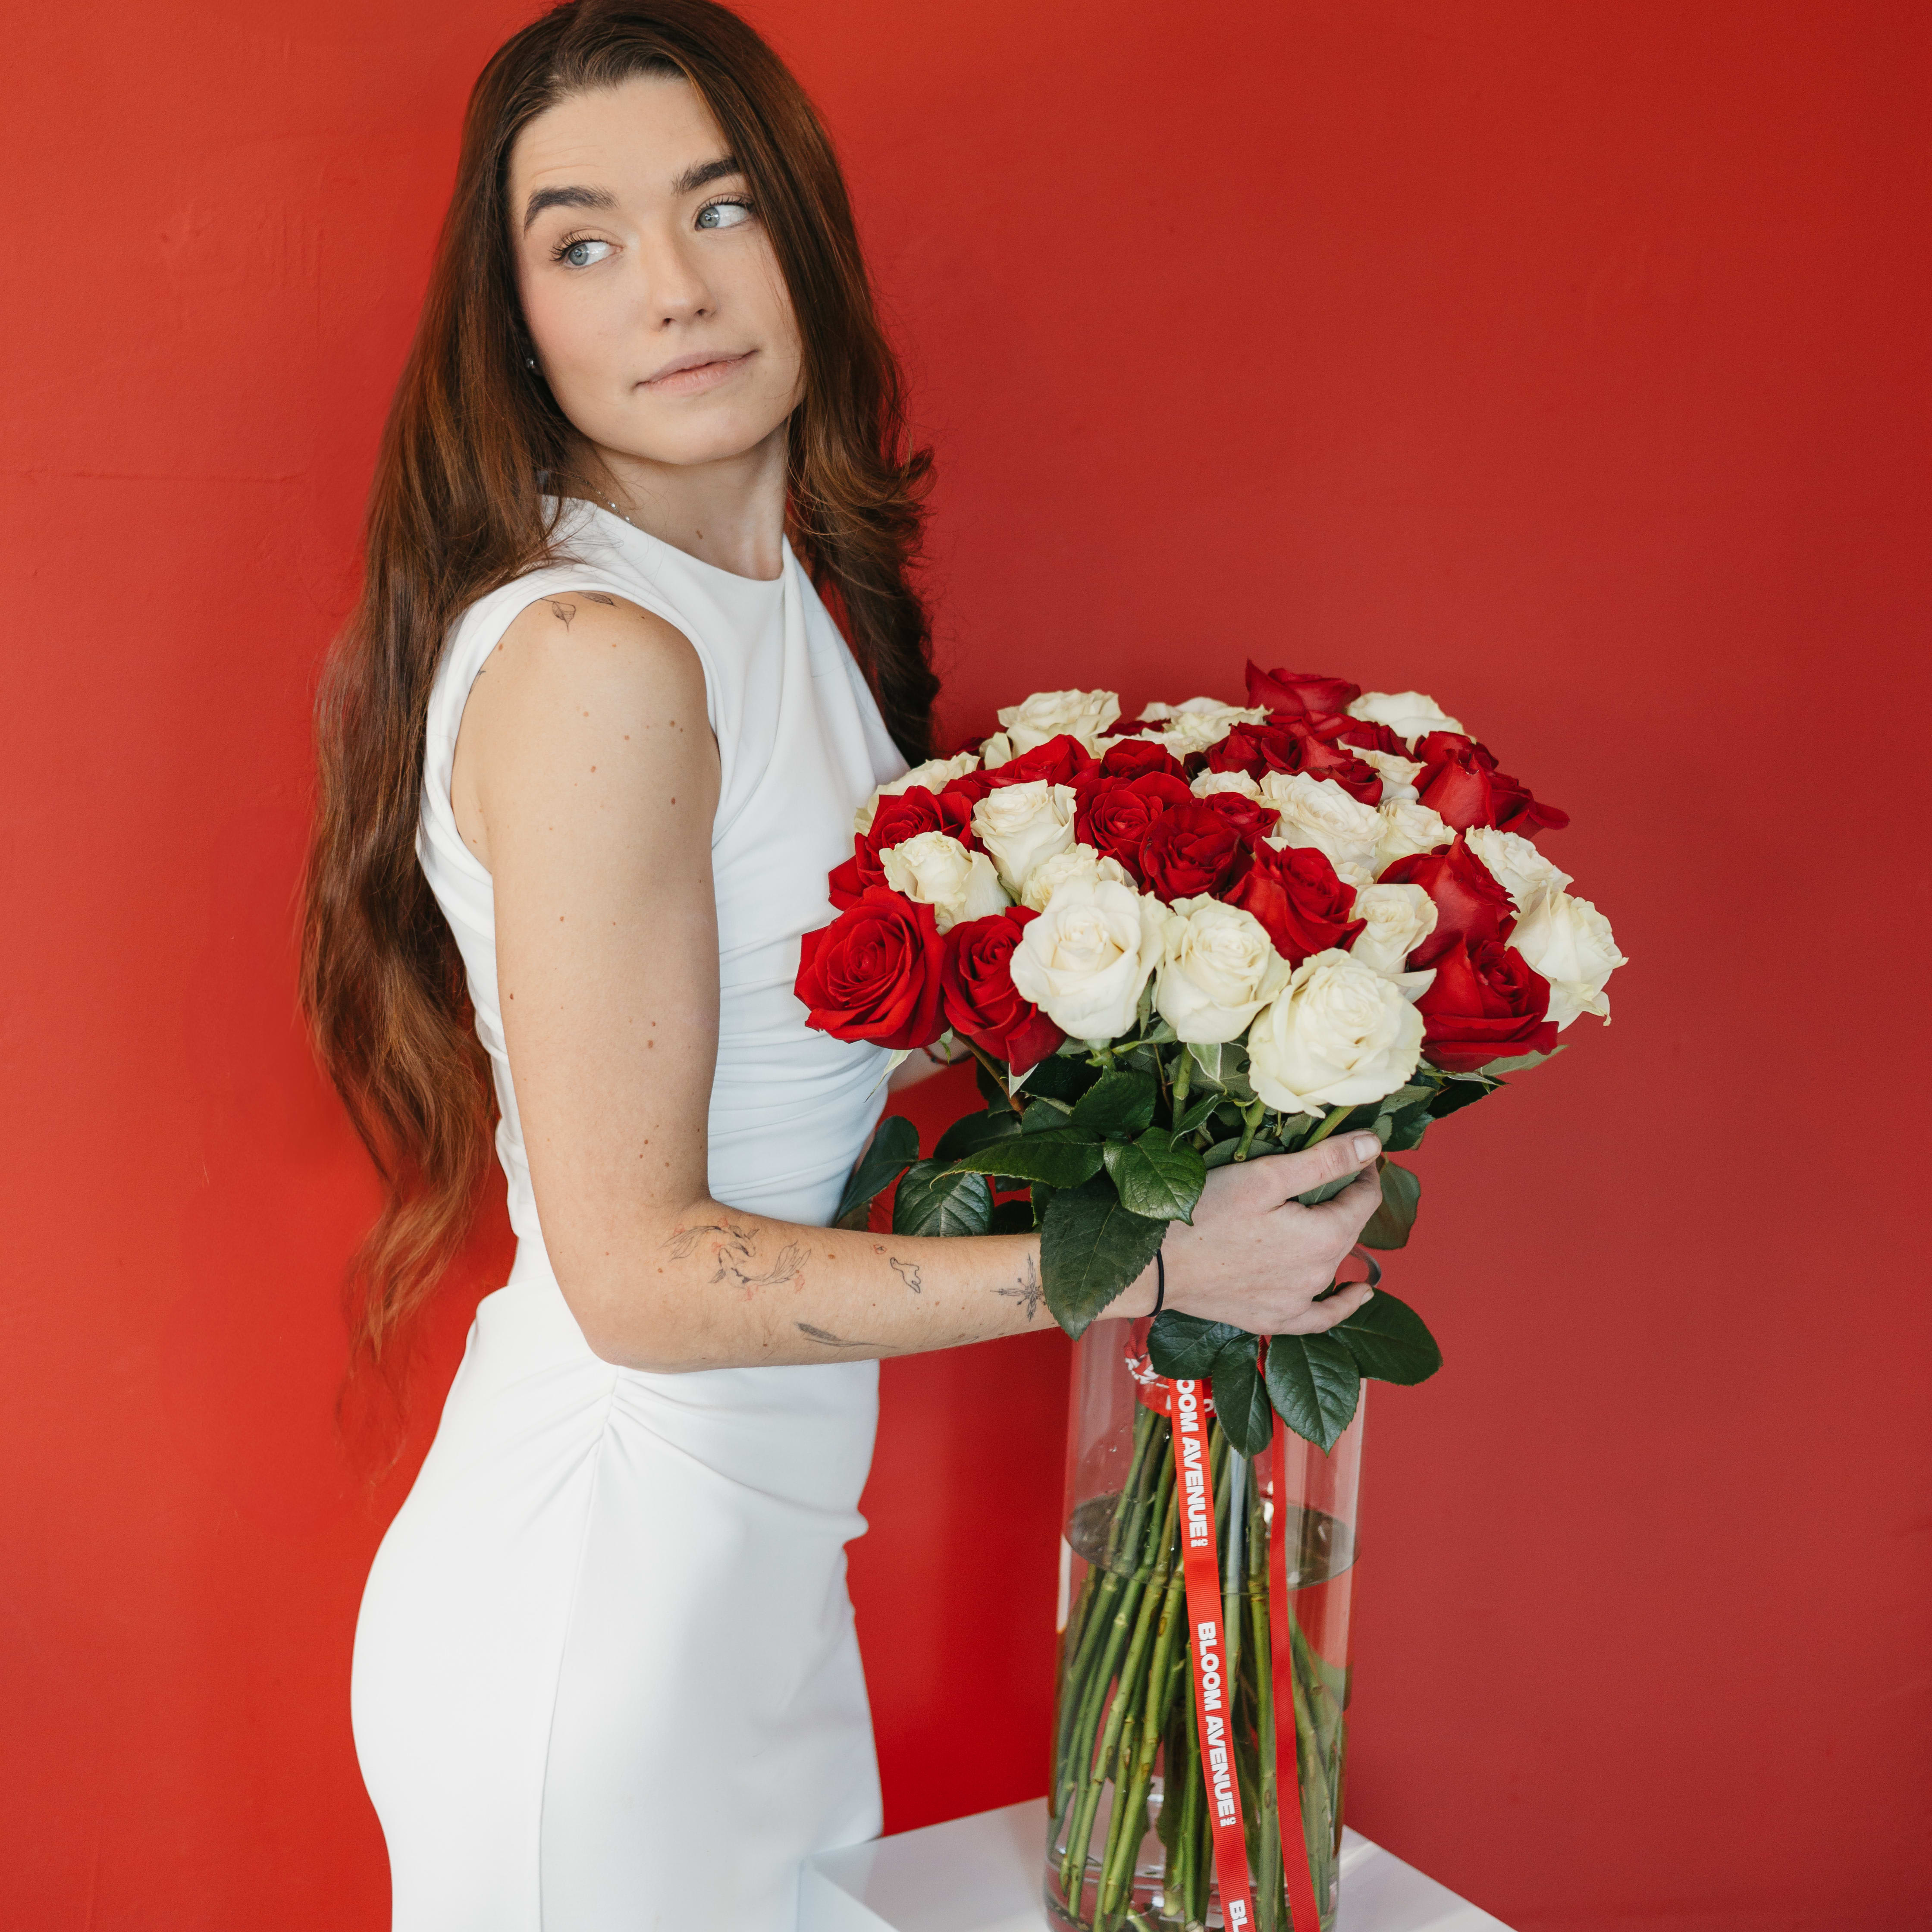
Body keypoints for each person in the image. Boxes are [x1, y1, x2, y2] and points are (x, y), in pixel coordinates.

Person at [299, 3, 1383, 1926]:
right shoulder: (600, 660)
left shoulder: (776, 596)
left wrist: (1208, 1032)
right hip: (604, 1609)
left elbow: (795, 1057)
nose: (672, 288)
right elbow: (640, 1278)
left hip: (750, 1577)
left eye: (718, 209)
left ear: (804, 235)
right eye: (584, 244)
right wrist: (1150, 1263)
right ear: (516, 322)